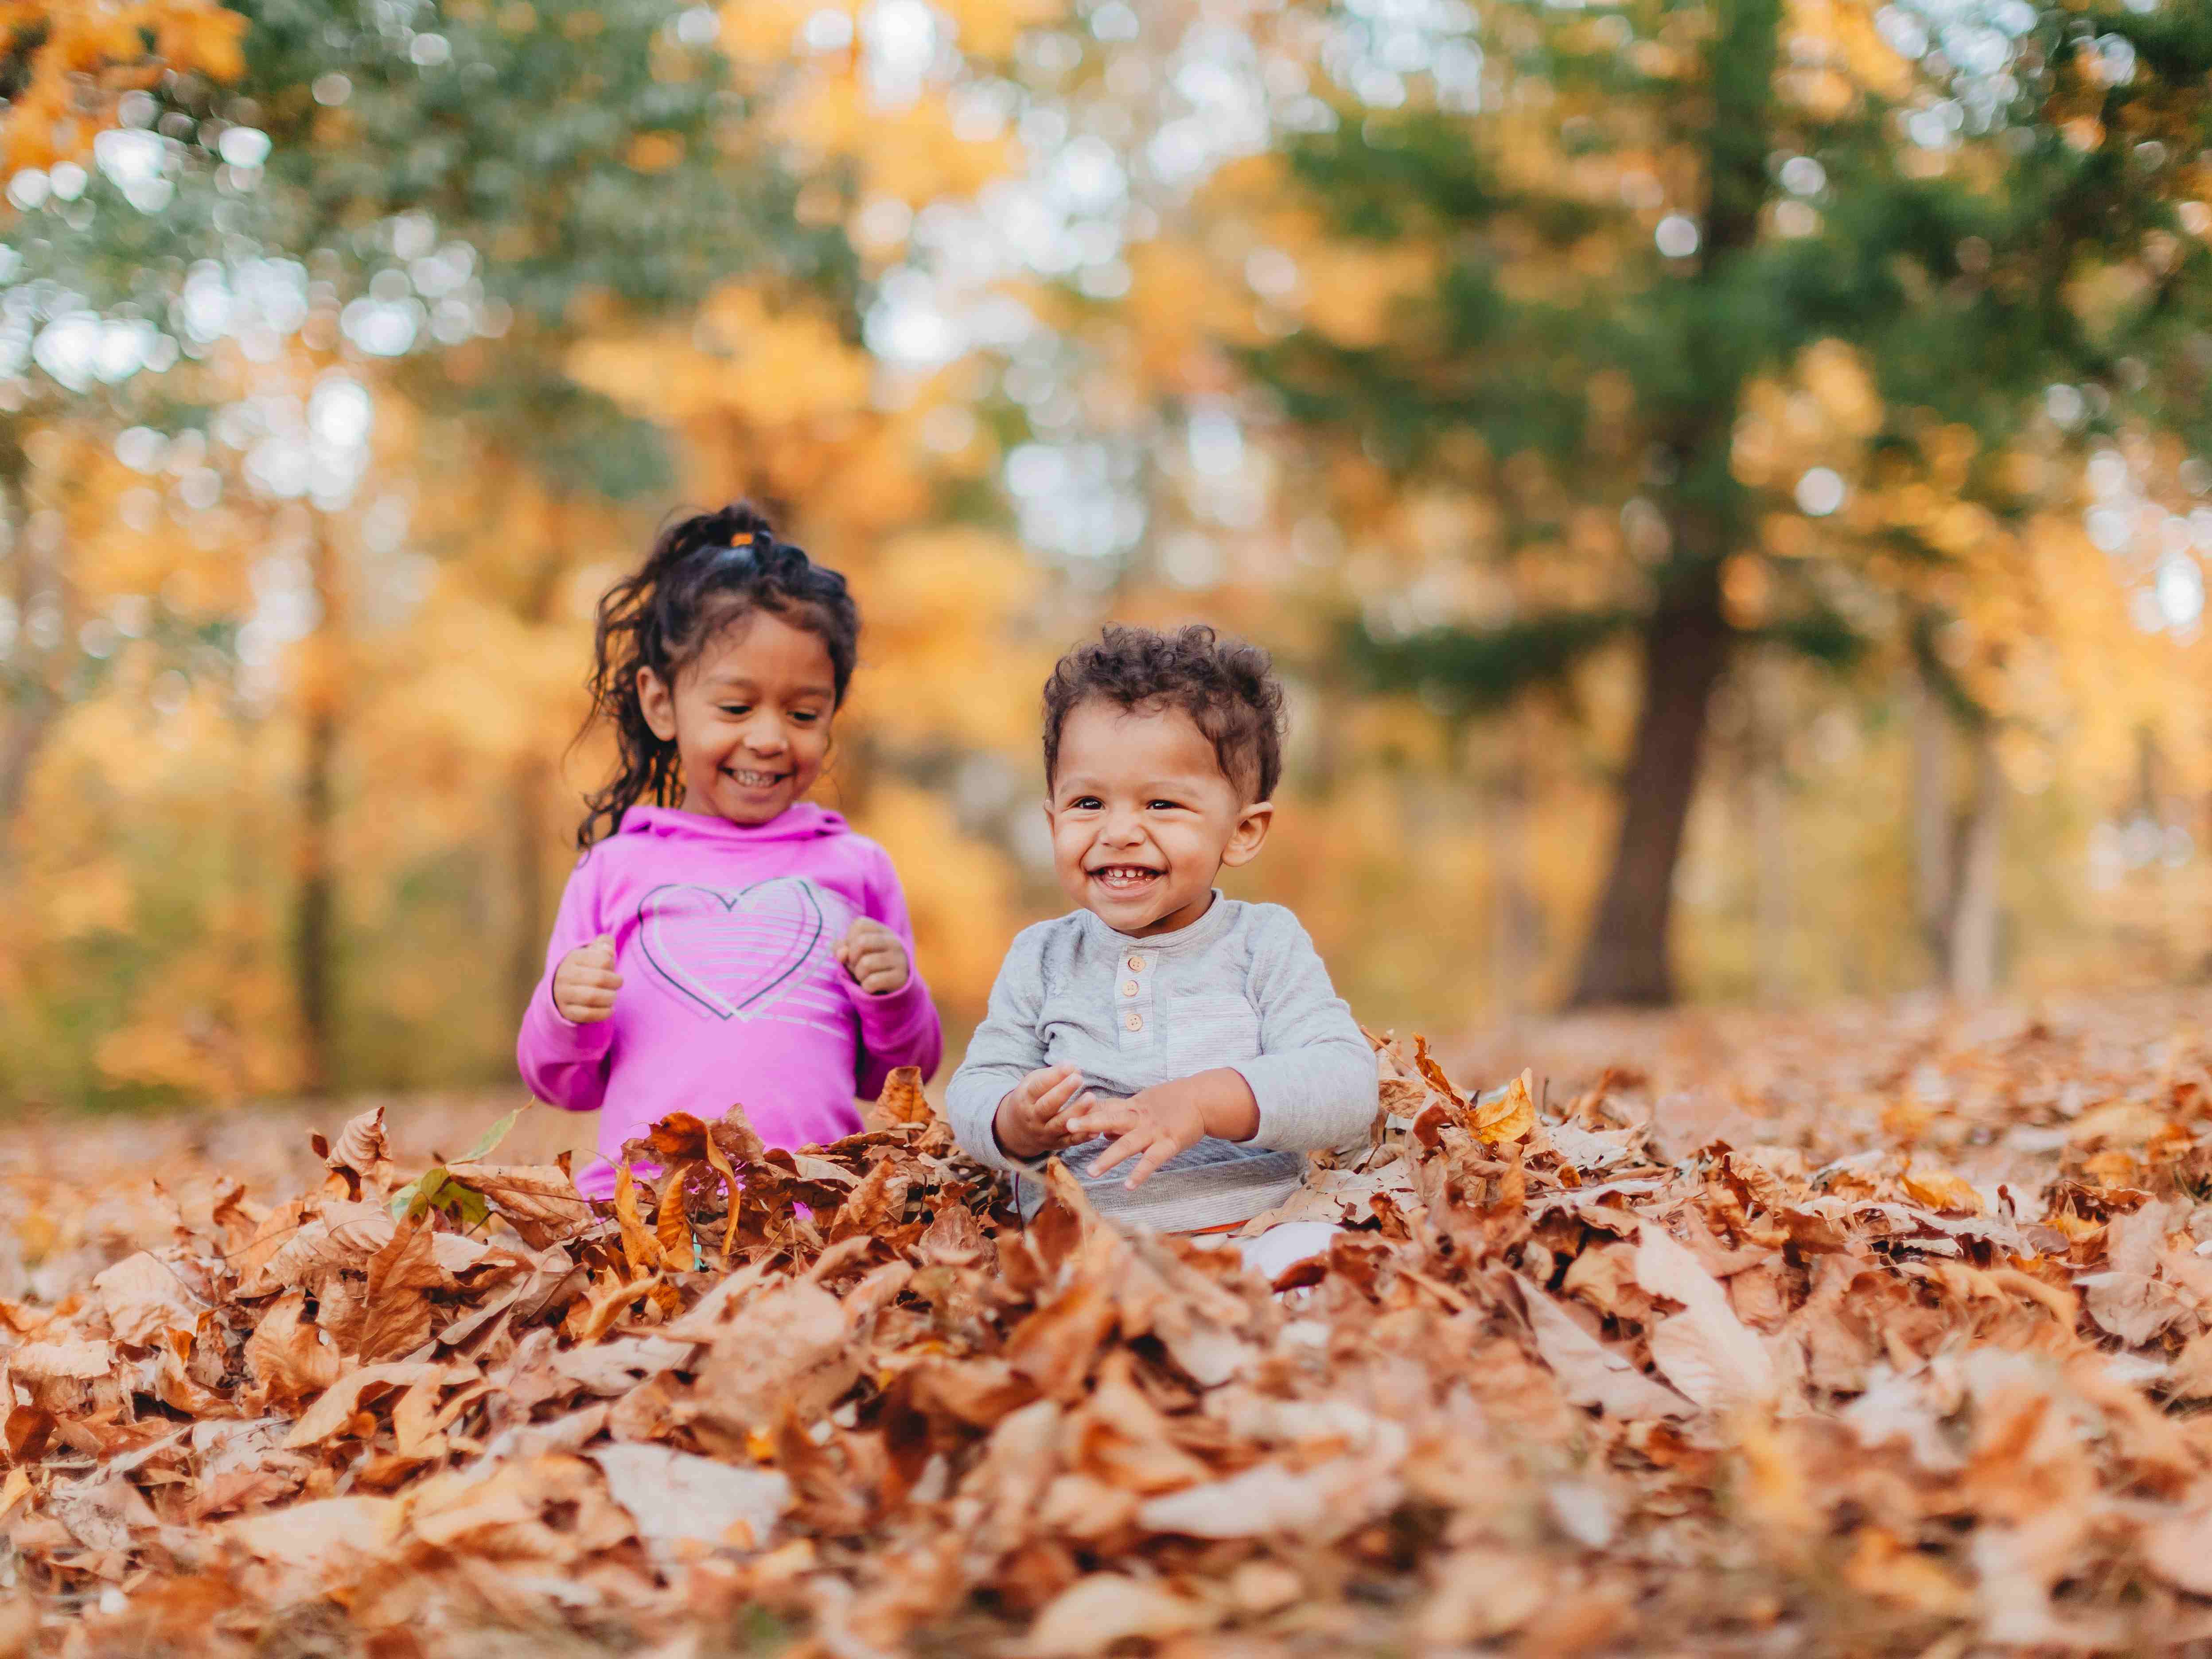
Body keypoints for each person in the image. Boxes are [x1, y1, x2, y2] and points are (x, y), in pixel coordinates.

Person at [518, 504, 942, 1199]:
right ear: (662, 704)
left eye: (804, 714)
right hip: (643, 1214)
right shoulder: (616, 869)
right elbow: (561, 1083)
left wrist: (895, 995)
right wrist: (565, 1011)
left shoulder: (856, 867)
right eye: (736, 709)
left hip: (813, 1209)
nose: (772, 739)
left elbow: (896, 1074)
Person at [947, 624, 1375, 1274]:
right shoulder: (1042, 956)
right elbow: (976, 1086)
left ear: (1243, 831)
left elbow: (1345, 1082)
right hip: (1091, 1248)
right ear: (1053, 820)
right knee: (1022, 1315)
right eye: (1088, 803)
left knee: (1322, 1262)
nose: (1120, 832)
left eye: (1163, 804)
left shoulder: (1263, 943)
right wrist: (1014, 1120)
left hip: (1255, 1233)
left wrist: (1204, 1102)